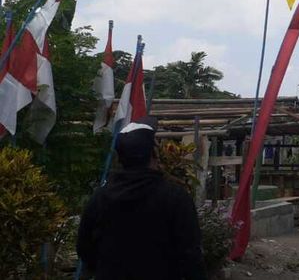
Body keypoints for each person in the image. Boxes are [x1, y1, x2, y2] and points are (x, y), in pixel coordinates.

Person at [77, 117, 207, 279]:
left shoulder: (100, 197)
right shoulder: (175, 197)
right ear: (153, 155)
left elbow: (84, 248)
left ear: (120, 158)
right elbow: (191, 255)